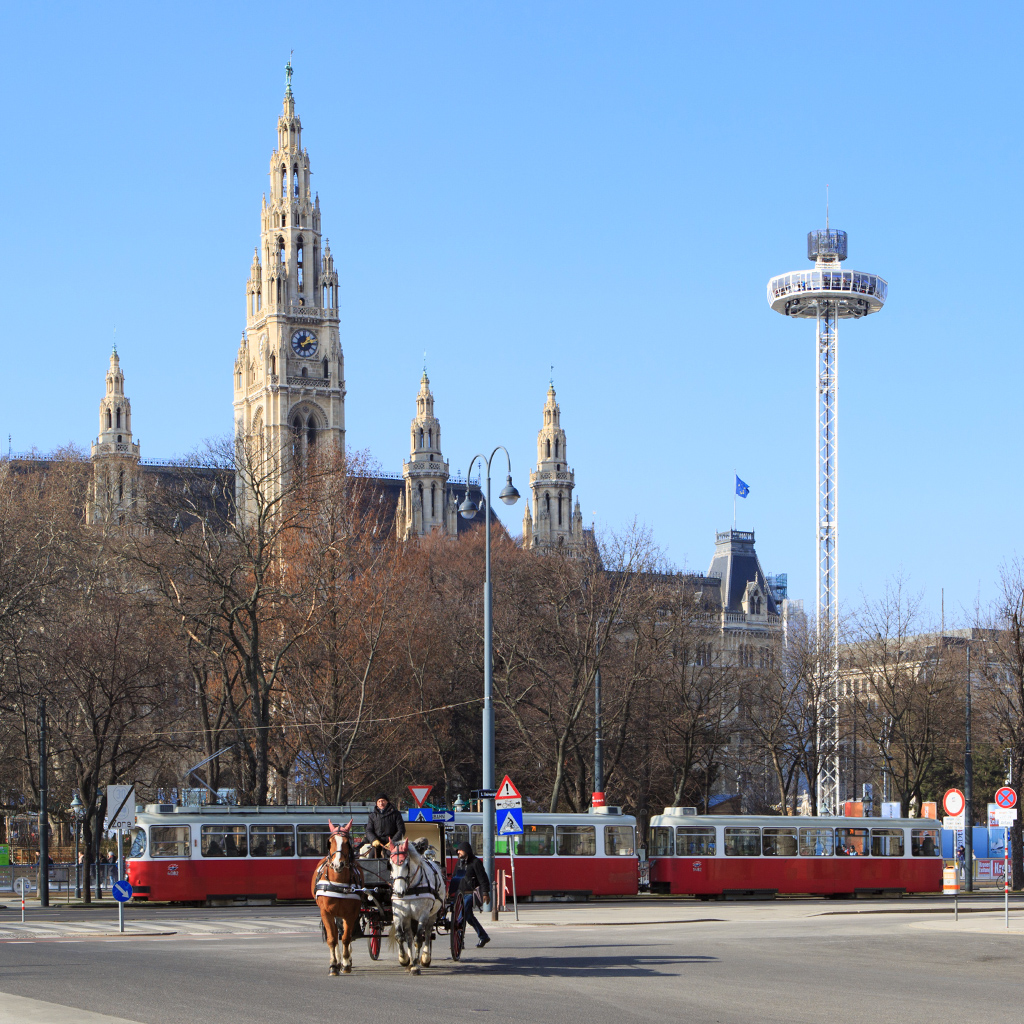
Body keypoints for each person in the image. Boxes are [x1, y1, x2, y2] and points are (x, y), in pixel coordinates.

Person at [454, 841, 491, 948]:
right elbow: (456, 877)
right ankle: (483, 936)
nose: (458, 853)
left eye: (460, 850)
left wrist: (485, 893)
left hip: (471, 893)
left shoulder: (475, 862)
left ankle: (460, 942)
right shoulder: (459, 863)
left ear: (466, 850)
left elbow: (483, 878)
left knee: (462, 915)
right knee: (468, 916)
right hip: (460, 893)